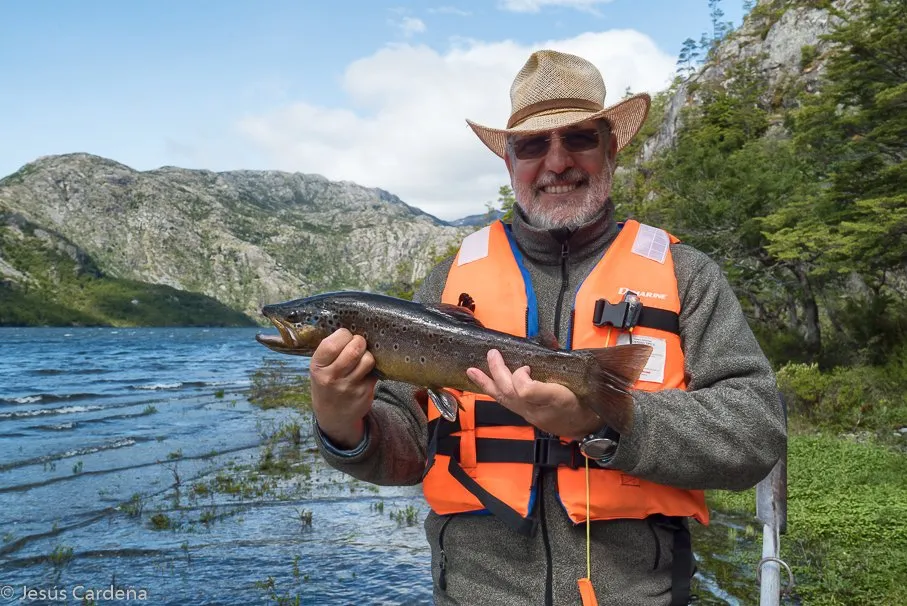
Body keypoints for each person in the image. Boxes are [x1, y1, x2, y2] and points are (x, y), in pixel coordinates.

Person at [308, 49, 787, 606]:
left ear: (611, 149)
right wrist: (341, 425)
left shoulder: (686, 274)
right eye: (534, 145)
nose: (557, 162)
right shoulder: (448, 279)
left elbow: (756, 433)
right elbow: (409, 447)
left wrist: (604, 421)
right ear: (509, 161)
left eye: (579, 138)